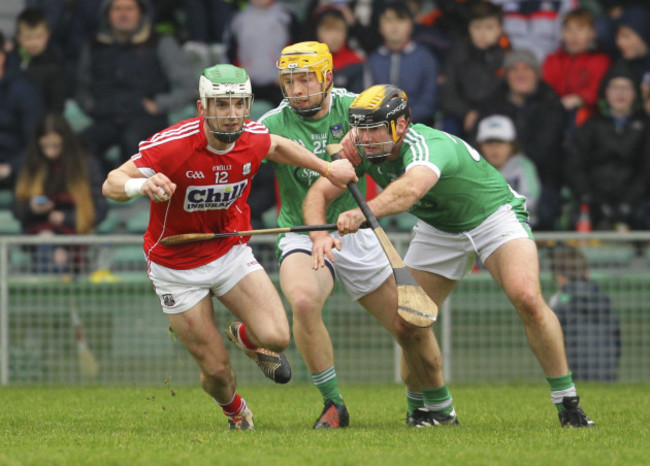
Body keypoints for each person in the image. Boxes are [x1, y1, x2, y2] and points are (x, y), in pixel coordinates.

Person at [305, 83, 595, 428]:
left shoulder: (428, 145)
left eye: (374, 129)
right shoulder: (362, 149)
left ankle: (568, 404)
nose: (365, 139)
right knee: (408, 323)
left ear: (399, 126)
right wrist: (319, 235)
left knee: (527, 297)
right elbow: (318, 193)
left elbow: (411, 190)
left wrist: (362, 212)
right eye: (361, 130)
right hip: (439, 228)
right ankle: (432, 411)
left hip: (492, 216)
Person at [101, 64, 357, 431]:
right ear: (202, 107)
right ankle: (235, 410)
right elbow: (112, 183)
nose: (232, 113)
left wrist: (327, 169)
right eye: (221, 104)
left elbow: (279, 146)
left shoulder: (252, 135)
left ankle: (244, 336)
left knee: (277, 336)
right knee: (218, 371)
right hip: (176, 267)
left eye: (239, 104)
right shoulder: (173, 145)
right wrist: (140, 187)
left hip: (229, 252)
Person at [259, 41, 458, 429]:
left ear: (328, 77)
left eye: (305, 80)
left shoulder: (357, 109)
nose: (296, 90)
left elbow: (400, 135)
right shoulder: (270, 124)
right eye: (289, 81)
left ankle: (429, 406)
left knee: (409, 326)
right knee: (302, 300)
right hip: (304, 232)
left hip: (358, 229)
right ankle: (333, 405)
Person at [76, 0, 196, 174]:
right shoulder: (95, 45)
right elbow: (81, 86)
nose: (123, 14)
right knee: (76, 148)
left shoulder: (161, 42)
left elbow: (189, 86)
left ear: (141, 13)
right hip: (106, 118)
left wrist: (159, 104)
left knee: (133, 145)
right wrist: (90, 106)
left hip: (146, 120)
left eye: (129, 8)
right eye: (117, 9)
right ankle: (106, 184)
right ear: (107, 14)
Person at [477, 48, 566, 231]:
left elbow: (548, 147)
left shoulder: (551, 103)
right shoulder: (492, 102)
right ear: (506, 75)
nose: (520, 74)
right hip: (497, 170)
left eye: (526, 68)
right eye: (514, 69)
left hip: (545, 174)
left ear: (536, 74)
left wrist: (515, 158)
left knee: (547, 208)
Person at [12, 113, 107, 274]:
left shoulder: (86, 165)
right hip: (38, 232)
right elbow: (17, 208)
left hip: (76, 232)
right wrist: (32, 208)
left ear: (66, 143)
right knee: (47, 244)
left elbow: (100, 209)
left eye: (56, 146)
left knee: (56, 252)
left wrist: (66, 218)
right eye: (45, 146)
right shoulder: (30, 165)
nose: (50, 152)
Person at [564, 63, 650, 231]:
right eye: (615, 87)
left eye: (626, 88)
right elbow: (574, 163)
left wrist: (629, 201)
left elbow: (646, 170)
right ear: (605, 92)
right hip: (593, 198)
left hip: (636, 201)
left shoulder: (645, 126)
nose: (620, 93)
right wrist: (587, 196)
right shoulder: (591, 125)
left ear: (635, 93)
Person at [549, 245, 621, 381]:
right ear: (587, 273)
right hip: (607, 372)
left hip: (573, 374)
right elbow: (617, 338)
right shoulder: (605, 299)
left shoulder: (558, 302)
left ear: (560, 277)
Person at [439, 1, 509, 139]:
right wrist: (467, 112)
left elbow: (505, 95)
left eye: (489, 27)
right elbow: (447, 94)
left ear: (500, 30)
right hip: (459, 116)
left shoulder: (505, 57)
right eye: (477, 27)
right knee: (447, 132)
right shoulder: (457, 54)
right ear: (469, 28)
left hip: (492, 115)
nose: (482, 34)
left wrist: (479, 113)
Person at [367, 1, 439, 126]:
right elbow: (365, 99)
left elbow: (430, 101)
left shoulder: (426, 58)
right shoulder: (373, 60)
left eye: (400, 19)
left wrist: (402, 118)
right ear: (380, 26)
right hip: (379, 128)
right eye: (388, 20)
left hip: (419, 128)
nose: (394, 25)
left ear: (411, 25)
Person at [542, 7, 612, 127]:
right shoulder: (553, 59)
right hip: (556, 113)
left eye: (580, 29)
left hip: (588, 117)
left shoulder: (600, 60)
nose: (574, 35)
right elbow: (545, 88)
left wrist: (580, 99)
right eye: (568, 29)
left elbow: (599, 90)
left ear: (592, 33)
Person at [224, 0, 300, 107]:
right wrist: (237, 73)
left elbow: (298, 49)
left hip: (279, 83)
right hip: (246, 83)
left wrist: (289, 74)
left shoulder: (286, 17)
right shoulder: (238, 18)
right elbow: (229, 51)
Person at [475, 114, 541, 227]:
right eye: (489, 142)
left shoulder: (523, 166)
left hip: (519, 226)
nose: (495, 148)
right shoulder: (473, 167)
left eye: (501, 142)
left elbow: (530, 199)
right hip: (480, 228)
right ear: (480, 146)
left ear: (512, 145)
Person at [0, 30, 45, 191]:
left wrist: (8, 168)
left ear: (2, 57)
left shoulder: (25, 91)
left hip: (15, 170)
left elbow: (35, 143)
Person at [9, 7, 66, 114]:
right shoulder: (11, 61)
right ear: (18, 38)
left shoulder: (54, 65)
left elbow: (57, 106)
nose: (33, 43)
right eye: (28, 37)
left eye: (38, 37)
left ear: (47, 35)